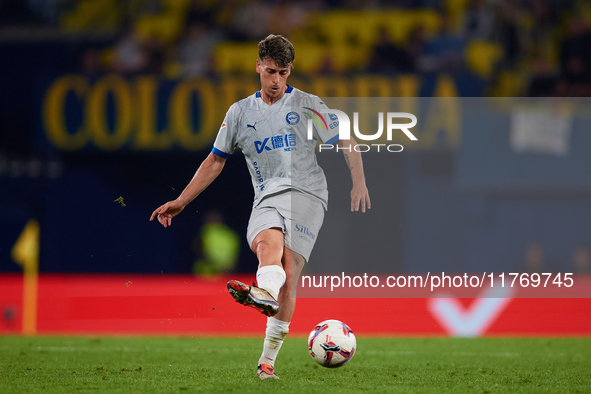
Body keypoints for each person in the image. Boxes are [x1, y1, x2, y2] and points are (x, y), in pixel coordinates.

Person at [150, 34, 370, 379]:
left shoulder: (308, 104)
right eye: (270, 72)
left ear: (290, 70)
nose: (276, 81)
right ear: (258, 66)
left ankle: (267, 358)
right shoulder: (239, 113)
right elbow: (214, 161)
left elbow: (345, 138)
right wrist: (181, 200)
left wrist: (358, 180)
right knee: (268, 247)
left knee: (289, 274)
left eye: (283, 73)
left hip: (308, 195)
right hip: (267, 196)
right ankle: (264, 295)